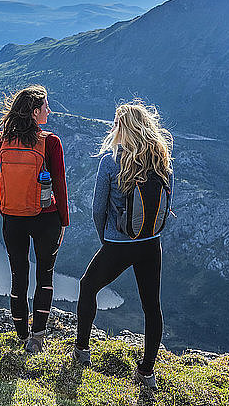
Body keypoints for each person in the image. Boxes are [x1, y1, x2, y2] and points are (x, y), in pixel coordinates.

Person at [74, 100, 173, 390]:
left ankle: (81, 350)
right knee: (152, 307)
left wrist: (105, 239)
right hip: (151, 244)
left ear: (121, 128)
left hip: (119, 243)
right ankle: (147, 372)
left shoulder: (111, 161)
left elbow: (97, 208)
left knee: (87, 286)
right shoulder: (163, 161)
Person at [0, 85, 69, 353]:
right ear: (35, 112)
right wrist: (64, 220)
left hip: (13, 219)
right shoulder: (50, 141)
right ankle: (37, 338)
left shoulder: (1, 141)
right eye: (46, 106)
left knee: (18, 276)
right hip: (46, 219)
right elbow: (59, 183)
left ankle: (22, 334)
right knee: (45, 276)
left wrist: (7, 209)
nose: (49, 109)